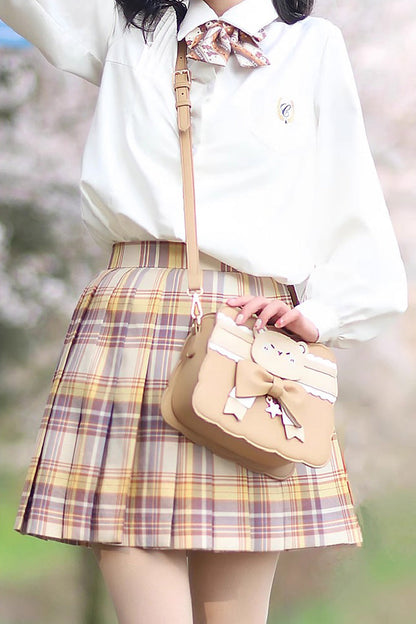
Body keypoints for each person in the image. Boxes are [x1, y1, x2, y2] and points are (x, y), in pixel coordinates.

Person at [0, 0, 407, 622]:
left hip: (254, 329)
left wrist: (326, 312)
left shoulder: (311, 45)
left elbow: (347, 189)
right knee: (133, 549)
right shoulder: (124, 27)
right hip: (133, 312)